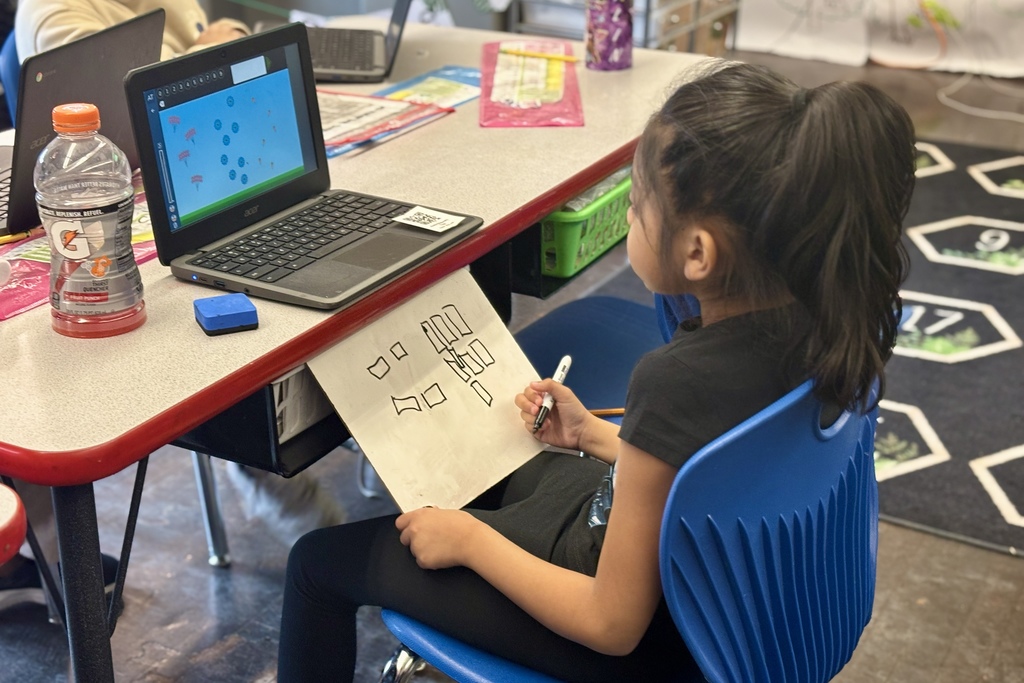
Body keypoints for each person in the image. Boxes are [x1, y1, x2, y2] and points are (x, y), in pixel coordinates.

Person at [276, 57, 912, 681]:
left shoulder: (677, 381)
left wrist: (472, 541)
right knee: (487, 466)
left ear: (697, 252)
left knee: (316, 564)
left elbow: (611, 624)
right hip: (719, 603)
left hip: (641, 636)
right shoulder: (834, 317)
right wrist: (590, 435)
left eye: (637, 205)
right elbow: (707, 474)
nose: (630, 217)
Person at [14, 0, 250, 63]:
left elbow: (212, 30)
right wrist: (214, 49)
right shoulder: (53, 12)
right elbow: (133, 101)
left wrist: (230, 37)